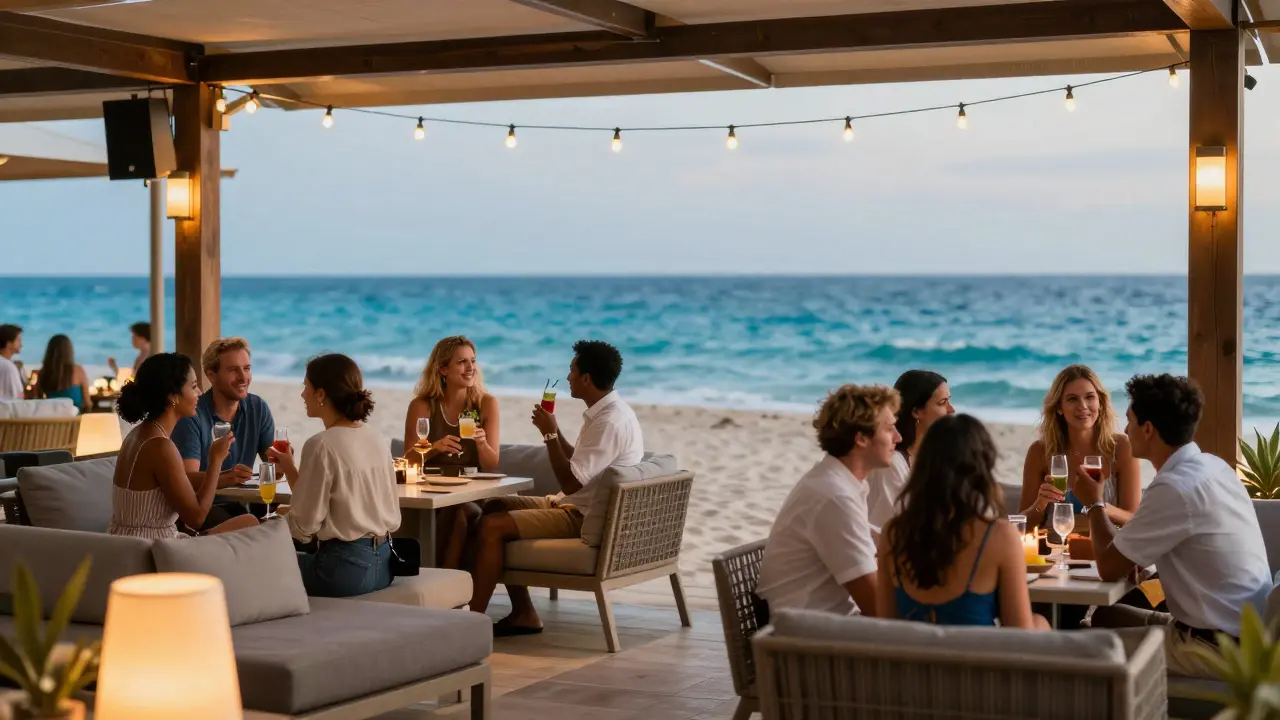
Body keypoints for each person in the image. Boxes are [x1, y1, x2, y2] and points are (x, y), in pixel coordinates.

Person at [1080, 374, 1273, 678]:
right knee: (1105, 616)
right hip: (1244, 636)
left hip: (1215, 649)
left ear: (1148, 429)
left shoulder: (1175, 487)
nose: (1126, 430)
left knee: (1082, 646)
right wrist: (1132, 555)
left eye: (1129, 421)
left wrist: (1094, 502)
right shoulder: (1213, 467)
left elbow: (1107, 567)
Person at [469, 340, 643, 635]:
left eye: (572, 370)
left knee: (492, 526)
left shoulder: (609, 422)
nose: (568, 377)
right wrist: (554, 430)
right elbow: (581, 462)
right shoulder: (607, 412)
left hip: (582, 515)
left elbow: (571, 482)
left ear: (586, 378)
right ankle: (524, 612)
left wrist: (549, 435)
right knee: (495, 505)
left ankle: (470, 622)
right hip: (576, 503)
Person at [879, 414, 1049, 629]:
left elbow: (885, 629)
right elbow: (1020, 638)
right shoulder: (1000, 536)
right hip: (975, 661)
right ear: (982, 468)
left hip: (913, 661)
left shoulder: (893, 534)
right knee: (1040, 623)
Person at [755, 384, 901, 617]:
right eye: (890, 429)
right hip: (810, 638)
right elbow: (877, 608)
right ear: (861, 438)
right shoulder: (835, 496)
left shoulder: (840, 482)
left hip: (820, 624)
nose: (898, 438)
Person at [270, 354, 401, 598]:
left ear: (320, 394)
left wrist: (268, 526)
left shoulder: (321, 445)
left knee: (258, 563)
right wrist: (289, 467)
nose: (302, 395)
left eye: (305, 387)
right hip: (383, 565)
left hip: (343, 571)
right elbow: (330, 503)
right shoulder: (376, 438)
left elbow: (304, 527)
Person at [108, 353, 258, 539]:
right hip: (151, 548)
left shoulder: (140, 434)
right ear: (173, 396)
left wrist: (226, 477)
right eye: (194, 386)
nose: (200, 393)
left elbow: (178, 483)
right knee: (255, 530)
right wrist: (215, 462)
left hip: (130, 539)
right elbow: (196, 518)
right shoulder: (160, 446)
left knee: (249, 522)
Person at [403, 336, 501, 568]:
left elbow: (491, 464)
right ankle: (442, 584)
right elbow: (408, 459)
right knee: (449, 512)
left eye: (473, 361)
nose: (470, 368)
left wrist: (481, 443)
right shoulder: (422, 406)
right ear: (443, 369)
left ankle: (442, 582)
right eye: (462, 362)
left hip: (469, 493)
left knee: (458, 511)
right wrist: (434, 447)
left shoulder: (486, 403)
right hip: (430, 491)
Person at [1019, 365, 1140, 530]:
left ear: (1100, 402)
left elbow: (1134, 518)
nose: (1082, 406)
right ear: (1059, 407)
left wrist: (1098, 505)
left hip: (1107, 550)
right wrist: (1040, 504)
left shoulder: (1120, 447)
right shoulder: (1040, 451)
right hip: (1056, 550)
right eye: (1072, 399)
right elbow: (1022, 525)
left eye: (1090, 397)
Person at [172, 337, 277, 527]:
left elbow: (273, 470)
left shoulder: (257, 407)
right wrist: (226, 478)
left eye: (246, 368)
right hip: (203, 507)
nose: (243, 377)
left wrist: (282, 461)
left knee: (287, 522)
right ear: (211, 375)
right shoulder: (192, 416)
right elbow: (186, 479)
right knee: (257, 531)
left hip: (245, 502)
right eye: (233, 370)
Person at [867, 370, 954, 528]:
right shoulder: (893, 463)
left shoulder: (933, 457)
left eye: (949, 401)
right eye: (942, 403)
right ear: (916, 411)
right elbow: (890, 528)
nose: (951, 410)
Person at [33, 334, 91, 412]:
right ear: (69, 351)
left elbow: (38, 400)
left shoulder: (43, 372)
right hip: (74, 421)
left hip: (51, 421)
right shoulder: (78, 370)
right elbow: (87, 402)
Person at [0, 324, 24, 400]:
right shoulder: (8, 366)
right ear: (9, 344)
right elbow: (17, 396)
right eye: (18, 340)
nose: (21, 345)